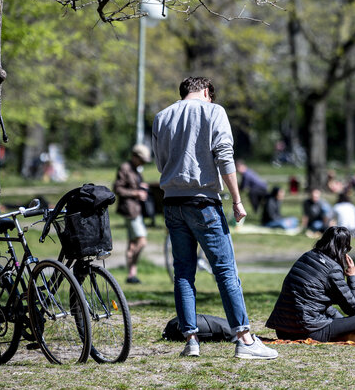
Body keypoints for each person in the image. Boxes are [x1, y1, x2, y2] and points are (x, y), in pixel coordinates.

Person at [151, 76, 278, 360]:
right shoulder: (214, 112)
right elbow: (224, 156)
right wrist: (237, 199)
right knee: (225, 271)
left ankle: (191, 340)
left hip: (172, 201)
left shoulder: (161, 117)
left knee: (183, 272)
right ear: (207, 92)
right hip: (204, 201)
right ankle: (245, 339)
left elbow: (161, 163)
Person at [266, 226, 355, 342]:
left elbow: (318, 302)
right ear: (343, 249)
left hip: (282, 330)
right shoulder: (333, 268)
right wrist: (352, 277)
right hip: (308, 332)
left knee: (332, 311)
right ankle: (344, 336)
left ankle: (343, 334)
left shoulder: (307, 256)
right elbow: (353, 308)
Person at [114, 144, 151, 284]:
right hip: (130, 210)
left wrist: (142, 187)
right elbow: (118, 188)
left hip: (137, 209)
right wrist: (136, 193)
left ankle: (131, 274)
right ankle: (131, 271)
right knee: (142, 241)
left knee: (132, 244)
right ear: (134, 156)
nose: (143, 163)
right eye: (141, 159)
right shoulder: (125, 168)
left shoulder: (136, 169)